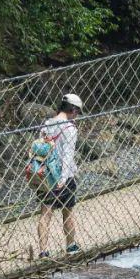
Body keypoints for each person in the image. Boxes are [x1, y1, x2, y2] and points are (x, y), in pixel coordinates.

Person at [35, 92, 82, 257]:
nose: (77, 115)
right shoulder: (70, 128)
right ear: (73, 110)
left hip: (47, 174)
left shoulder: (47, 124)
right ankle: (70, 246)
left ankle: (43, 251)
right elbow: (68, 156)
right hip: (64, 176)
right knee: (67, 212)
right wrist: (63, 179)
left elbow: (41, 149)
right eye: (78, 112)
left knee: (45, 213)